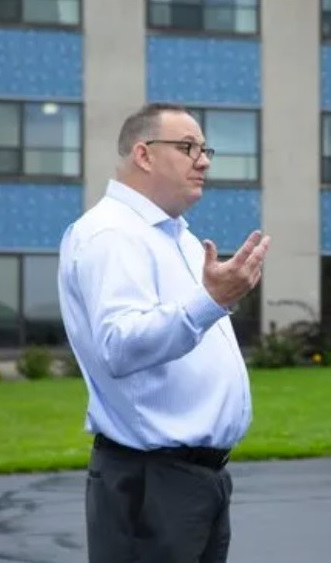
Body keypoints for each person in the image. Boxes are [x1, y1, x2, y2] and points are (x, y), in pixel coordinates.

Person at [57, 102, 270, 563]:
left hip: (196, 480)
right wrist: (211, 300)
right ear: (144, 154)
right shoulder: (111, 235)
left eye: (205, 148)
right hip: (151, 483)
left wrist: (214, 298)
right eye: (188, 146)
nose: (205, 159)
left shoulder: (178, 237)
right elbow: (118, 344)